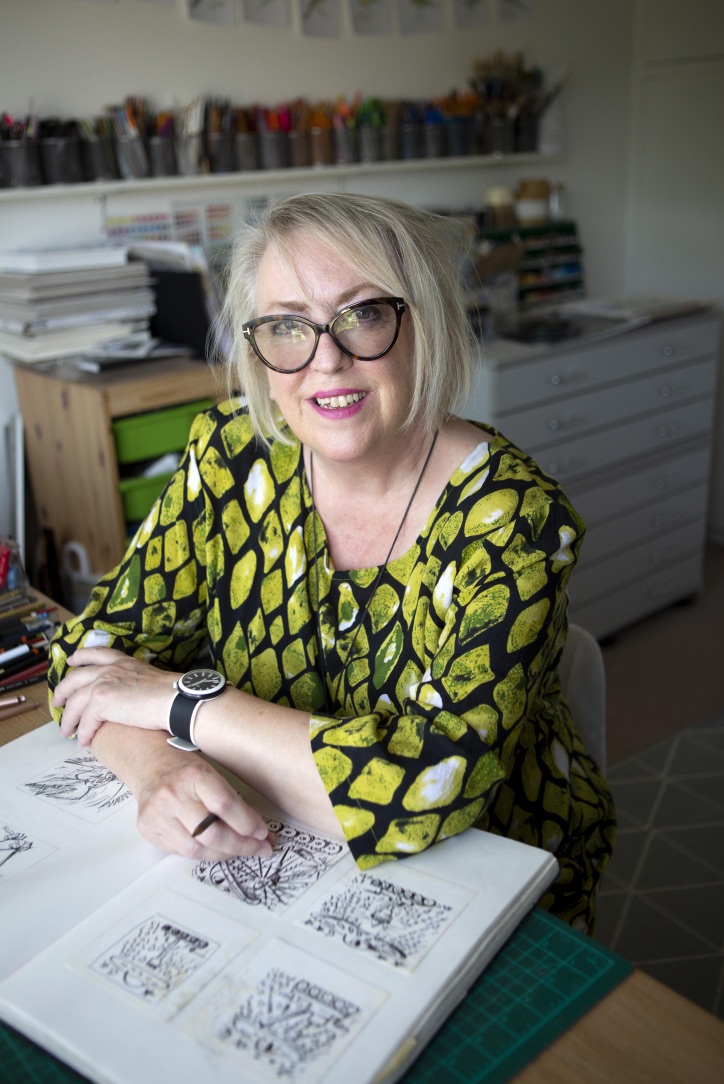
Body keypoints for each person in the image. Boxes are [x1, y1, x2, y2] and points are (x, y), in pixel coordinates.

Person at [48, 192, 615, 932]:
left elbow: (428, 789)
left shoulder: (516, 519)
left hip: (485, 877)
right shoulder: (231, 455)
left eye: (363, 314)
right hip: (275, 849)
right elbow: (89, 659)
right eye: (287, 325)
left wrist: (182, 704)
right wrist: (160, 767)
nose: (326, 360)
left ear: (425, 322)